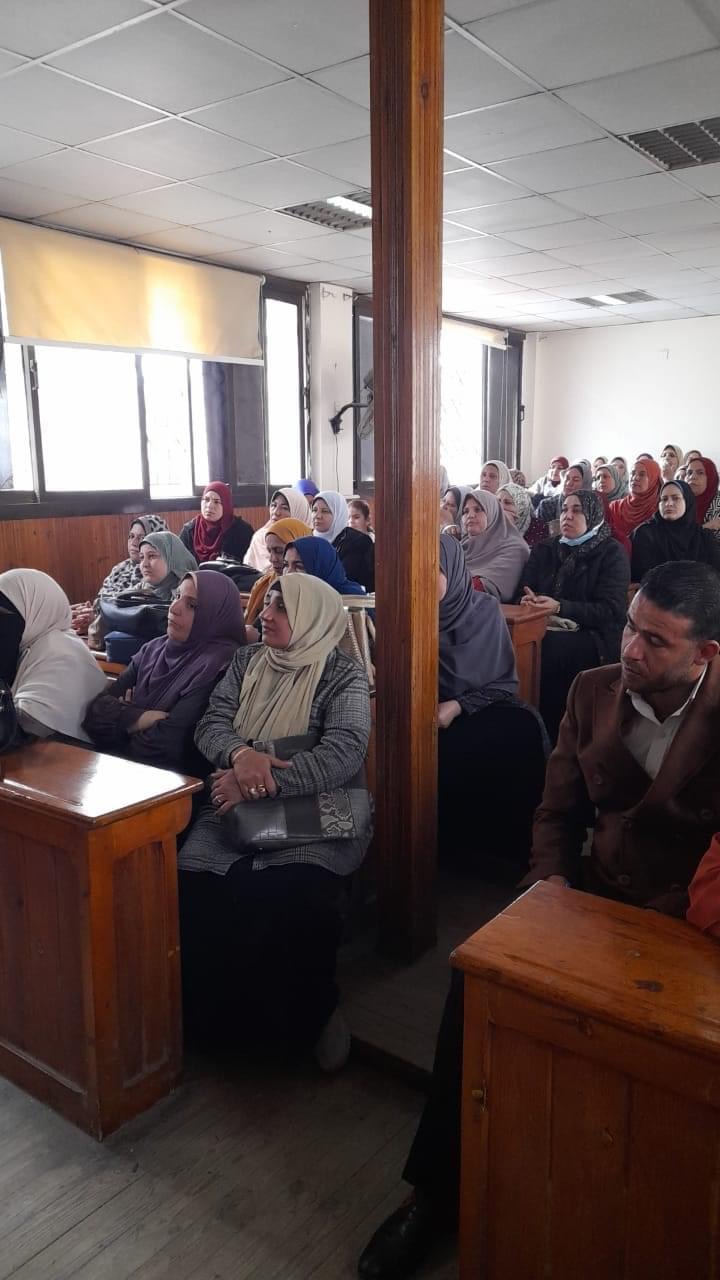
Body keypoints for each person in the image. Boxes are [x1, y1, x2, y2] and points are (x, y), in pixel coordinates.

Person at [358, 561, 720, 1280]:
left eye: (656, 641)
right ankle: (436, 1192)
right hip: (592, 897)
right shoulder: (592, 690)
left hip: (687, 928)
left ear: (706, 652)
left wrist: (669, 927)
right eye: (629, 626)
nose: (631, 648)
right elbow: (556, 812)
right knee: (475, 983)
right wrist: (548, 887)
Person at [177, 574, 372, 1067]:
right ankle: (218, 1027)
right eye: (267, 604)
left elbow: (343, 754)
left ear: (310, 618)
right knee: (193, 885)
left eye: (281, 608)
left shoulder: (341, 676)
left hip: (315, 814)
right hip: (234, 808)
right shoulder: (247, 662)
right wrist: (241, 755)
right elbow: (211, 723)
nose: (264, 614)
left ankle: (312, 1018)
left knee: (294, 897)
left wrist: (258, 781)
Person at [436, 534, 548, 873]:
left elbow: (502, 683)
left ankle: (506, 856)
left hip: (479, 707)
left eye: (434, 570)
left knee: (522, 730)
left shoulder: (483, 611)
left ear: (453, 570)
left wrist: (457, 705)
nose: (422, 580)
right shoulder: (405, 615)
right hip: (424, 715)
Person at [84, 571, 246, 776]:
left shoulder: (220, 664)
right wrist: (141, 718)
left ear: (215, 614)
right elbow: (94, 716)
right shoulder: (154, 649)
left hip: (177, 782)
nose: (174, 608)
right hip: (124, 771)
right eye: (176, 596)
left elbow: (167, 747)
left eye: (192, 605)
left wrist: (122, 718)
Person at [519, 490, 630, 743]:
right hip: (543, 623)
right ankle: (524, 724)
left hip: (594, 634)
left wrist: (560, 607)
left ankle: (555, 732)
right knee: (517, 642)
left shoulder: (611, 553)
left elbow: (610, 610)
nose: (567, 516)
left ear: (593, 514)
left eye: (577, 510)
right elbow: (523, 589)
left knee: (548, 648)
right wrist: (527, 600)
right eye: (564, 509)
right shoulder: (545, 549)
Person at [0, 568, 106, 743]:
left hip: (71, 756)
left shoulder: (62, 654)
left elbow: (18, 728)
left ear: (35, 609)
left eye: (4, 616)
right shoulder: (30, 647)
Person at [71, 514, 169, 636]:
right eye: (131, 536)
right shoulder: (120, 569)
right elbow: (102, 601)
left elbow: (137, 617)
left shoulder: (158, 574)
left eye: (141, 538)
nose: (134, 543)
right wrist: (87, 614)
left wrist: (97, 620)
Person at [631, 480, 720, 581]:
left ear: (687, 501)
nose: (668, 503)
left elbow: (716, 573)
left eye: (675, 498)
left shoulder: (703, 537)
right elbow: (642, 577)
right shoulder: (645, 533)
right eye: (664, 499)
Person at [460, 489, 529, 603]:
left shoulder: (515, 548)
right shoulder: (461, 546)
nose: (470, 515)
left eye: (478, 509)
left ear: (493, 512)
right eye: (465, 511)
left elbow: (485, 587)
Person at [244, 517, 312, 626]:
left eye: (279, 551)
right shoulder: (263, 584)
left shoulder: (314, 591)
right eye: (269, 551)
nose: (272, 559)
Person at [312, 490, 375, 591]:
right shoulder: (308, 540)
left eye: (325, 511)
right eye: (314, 510)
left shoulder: (358, 542)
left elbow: (348, 579)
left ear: (338, 513)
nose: (317, 516)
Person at [178, 482, 253, 565]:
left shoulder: (242, 531)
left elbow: (250, 565)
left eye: (216, 502)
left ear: (226, 505)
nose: (209, 506)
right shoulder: (190, 531)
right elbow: (179, 564)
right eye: (206, 500)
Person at [245, 488, 312, 572]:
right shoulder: (261, 538)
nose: (276, 512)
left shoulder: (311, 540)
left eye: (284, 508)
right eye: (274, 505)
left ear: (299, 512)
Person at [125, 531, 198, 604]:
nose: (144, 564)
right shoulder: (135, 593)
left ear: (172, 559)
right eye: (142, 557)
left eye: (151, 556)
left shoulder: (189, 596)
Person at [284, 536, 365, 595]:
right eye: (286, 565)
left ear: (322, 568)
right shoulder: (289, 597)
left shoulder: (352, 602)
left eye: (299, 566)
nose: (288, 572)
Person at [607, 457, 662, 539]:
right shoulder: (615, 507)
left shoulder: (659, 510)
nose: (635, 478)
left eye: (642, 474)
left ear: (653, 480)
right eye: (632, 473)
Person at [536, 459, 592, 529]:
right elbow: (541, 533)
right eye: (567, 478)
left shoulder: (592, 507)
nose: (569, 483)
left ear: (586, 484)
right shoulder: (547, 506)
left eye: (575, 480)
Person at [497, 481, 547, 549]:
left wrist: (511, 528)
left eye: (508, 503)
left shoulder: (538, 527)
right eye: (498, 501)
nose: (501, 507)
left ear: (522, 506)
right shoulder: (490, 523)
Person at [686, 456, 720, 539]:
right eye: (689, 473)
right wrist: (706, 527)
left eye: (700, 473)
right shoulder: (678, 501)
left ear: (711, 477)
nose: (692, 477)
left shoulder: (718, 503)